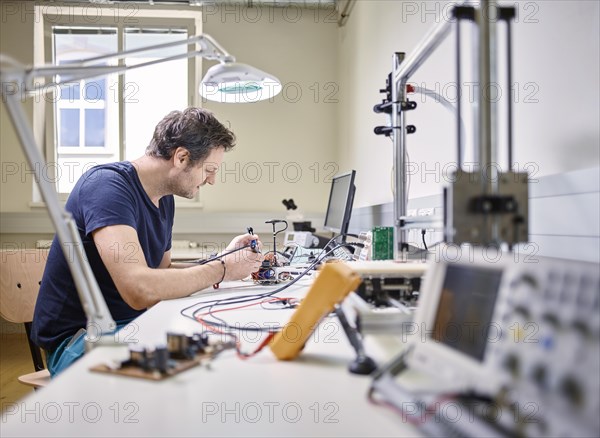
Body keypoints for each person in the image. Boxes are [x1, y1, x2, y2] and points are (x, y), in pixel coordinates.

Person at [31, 107, 263, 376]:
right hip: (79, 343)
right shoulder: (107, 187)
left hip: (133, 324)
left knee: (223, 349)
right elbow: (140, 289)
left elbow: (160, 275)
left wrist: (223, 260)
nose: (212, 180)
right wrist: (222, 269)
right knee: (208, 371)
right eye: (210, 169)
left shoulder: (164, 200)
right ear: (182, 157)